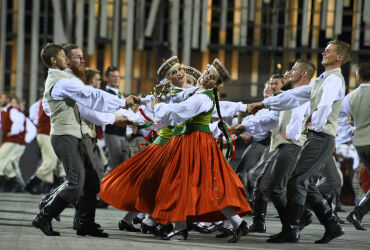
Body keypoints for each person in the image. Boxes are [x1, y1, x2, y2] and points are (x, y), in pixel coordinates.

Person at [247, 40, 351, 244]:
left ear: (339, 57)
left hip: (321, 136)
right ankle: (331, 225)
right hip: (317, 136)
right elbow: (293, 97)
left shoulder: (334, 80)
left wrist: (317, 124)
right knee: (304, 182)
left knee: (297, 180)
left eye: (328, 51)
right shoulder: (321, 79)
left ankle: (292, 229)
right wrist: (264, 103)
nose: (323, 52)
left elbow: (325, 105)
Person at [32, 43, 130, 237]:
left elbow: (82, 101)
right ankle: (44, 215)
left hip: (76, 135)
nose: (68, 59)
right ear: (54, 60)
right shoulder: (61, 81)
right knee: (76, 182)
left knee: (92, 181)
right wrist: (122, 103)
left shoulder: (66, 78)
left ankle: (85, 223)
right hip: (66, 135)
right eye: (64, 56)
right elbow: (89, 97)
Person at [149, 58, 251, 243]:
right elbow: (182, 98)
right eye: (206, 73)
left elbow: (178, 112)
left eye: (211, 77)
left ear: (216, 84)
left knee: (182, 183)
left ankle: (180, 229)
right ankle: (235, 223)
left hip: (195, 143)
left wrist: (158, 105)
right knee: (191, 184)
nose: (205, 77)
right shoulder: (199, 93)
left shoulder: (203, 98)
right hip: (192, 142)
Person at [338, 63, 370, 231]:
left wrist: (350, 131)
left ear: (358, 77)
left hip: (359, 143)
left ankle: (357, 213)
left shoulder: (351, 95)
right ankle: (357, 213)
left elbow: (340, 116)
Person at [103, 66, 131, 173]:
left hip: (121, 133)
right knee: (114, 163)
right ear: (107, 78)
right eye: (113, 76)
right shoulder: (106, 93)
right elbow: (114, 111)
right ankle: (103, 187)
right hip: (112, 132)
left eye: (118, 76)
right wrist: (130, 118)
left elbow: (126, 111)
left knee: (121, 163)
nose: (116, 79)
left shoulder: (119, 94)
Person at [0, 96, 27, 192]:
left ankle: (16, 184)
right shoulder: (6, 111)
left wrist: (13, 132)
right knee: (10, 163)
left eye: (15, 102)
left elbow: (20, 124)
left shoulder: (13, 111)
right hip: (12, 140)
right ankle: (18, 184)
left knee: (4, 161)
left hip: (14, 140)